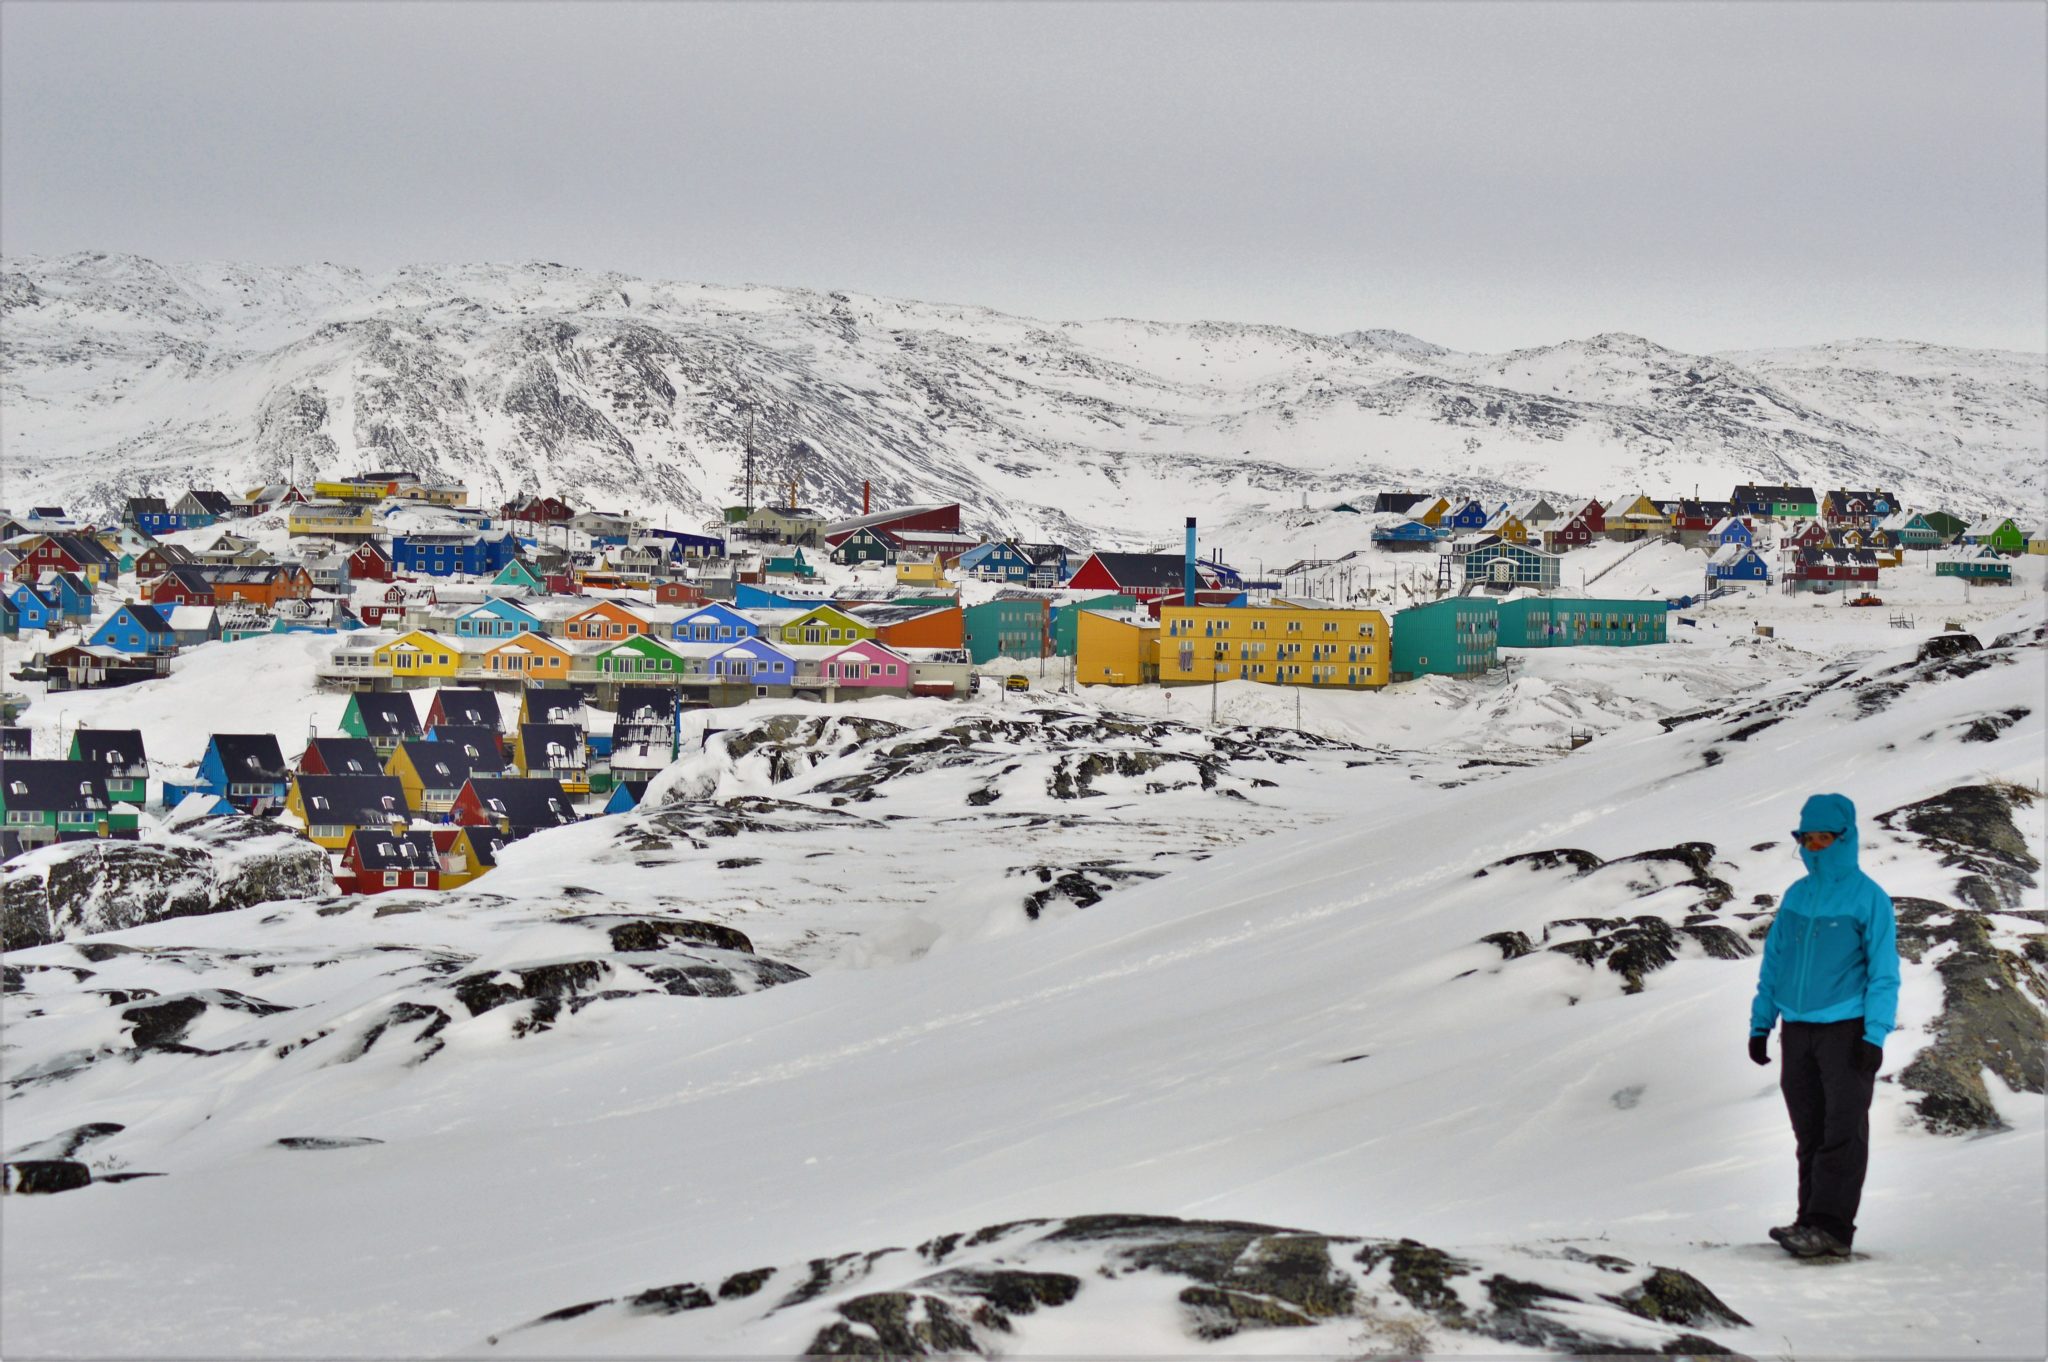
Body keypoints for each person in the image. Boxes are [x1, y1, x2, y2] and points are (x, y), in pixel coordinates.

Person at [1747, 793, 1900, 1258]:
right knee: (1809, 1131)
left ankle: (1832, 1230)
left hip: (1846, 1031)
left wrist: (1874, 1035)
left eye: (1823, 838)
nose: (1814, 847)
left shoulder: (1868, 898)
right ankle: (1808, 1220)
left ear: (1844, 838)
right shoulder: (1797, 895)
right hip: (1796, 1030)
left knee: (1843, 1132)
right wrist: (1760, 1024)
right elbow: (1775, 961)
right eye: (1806, 839)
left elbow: (1884, 973)